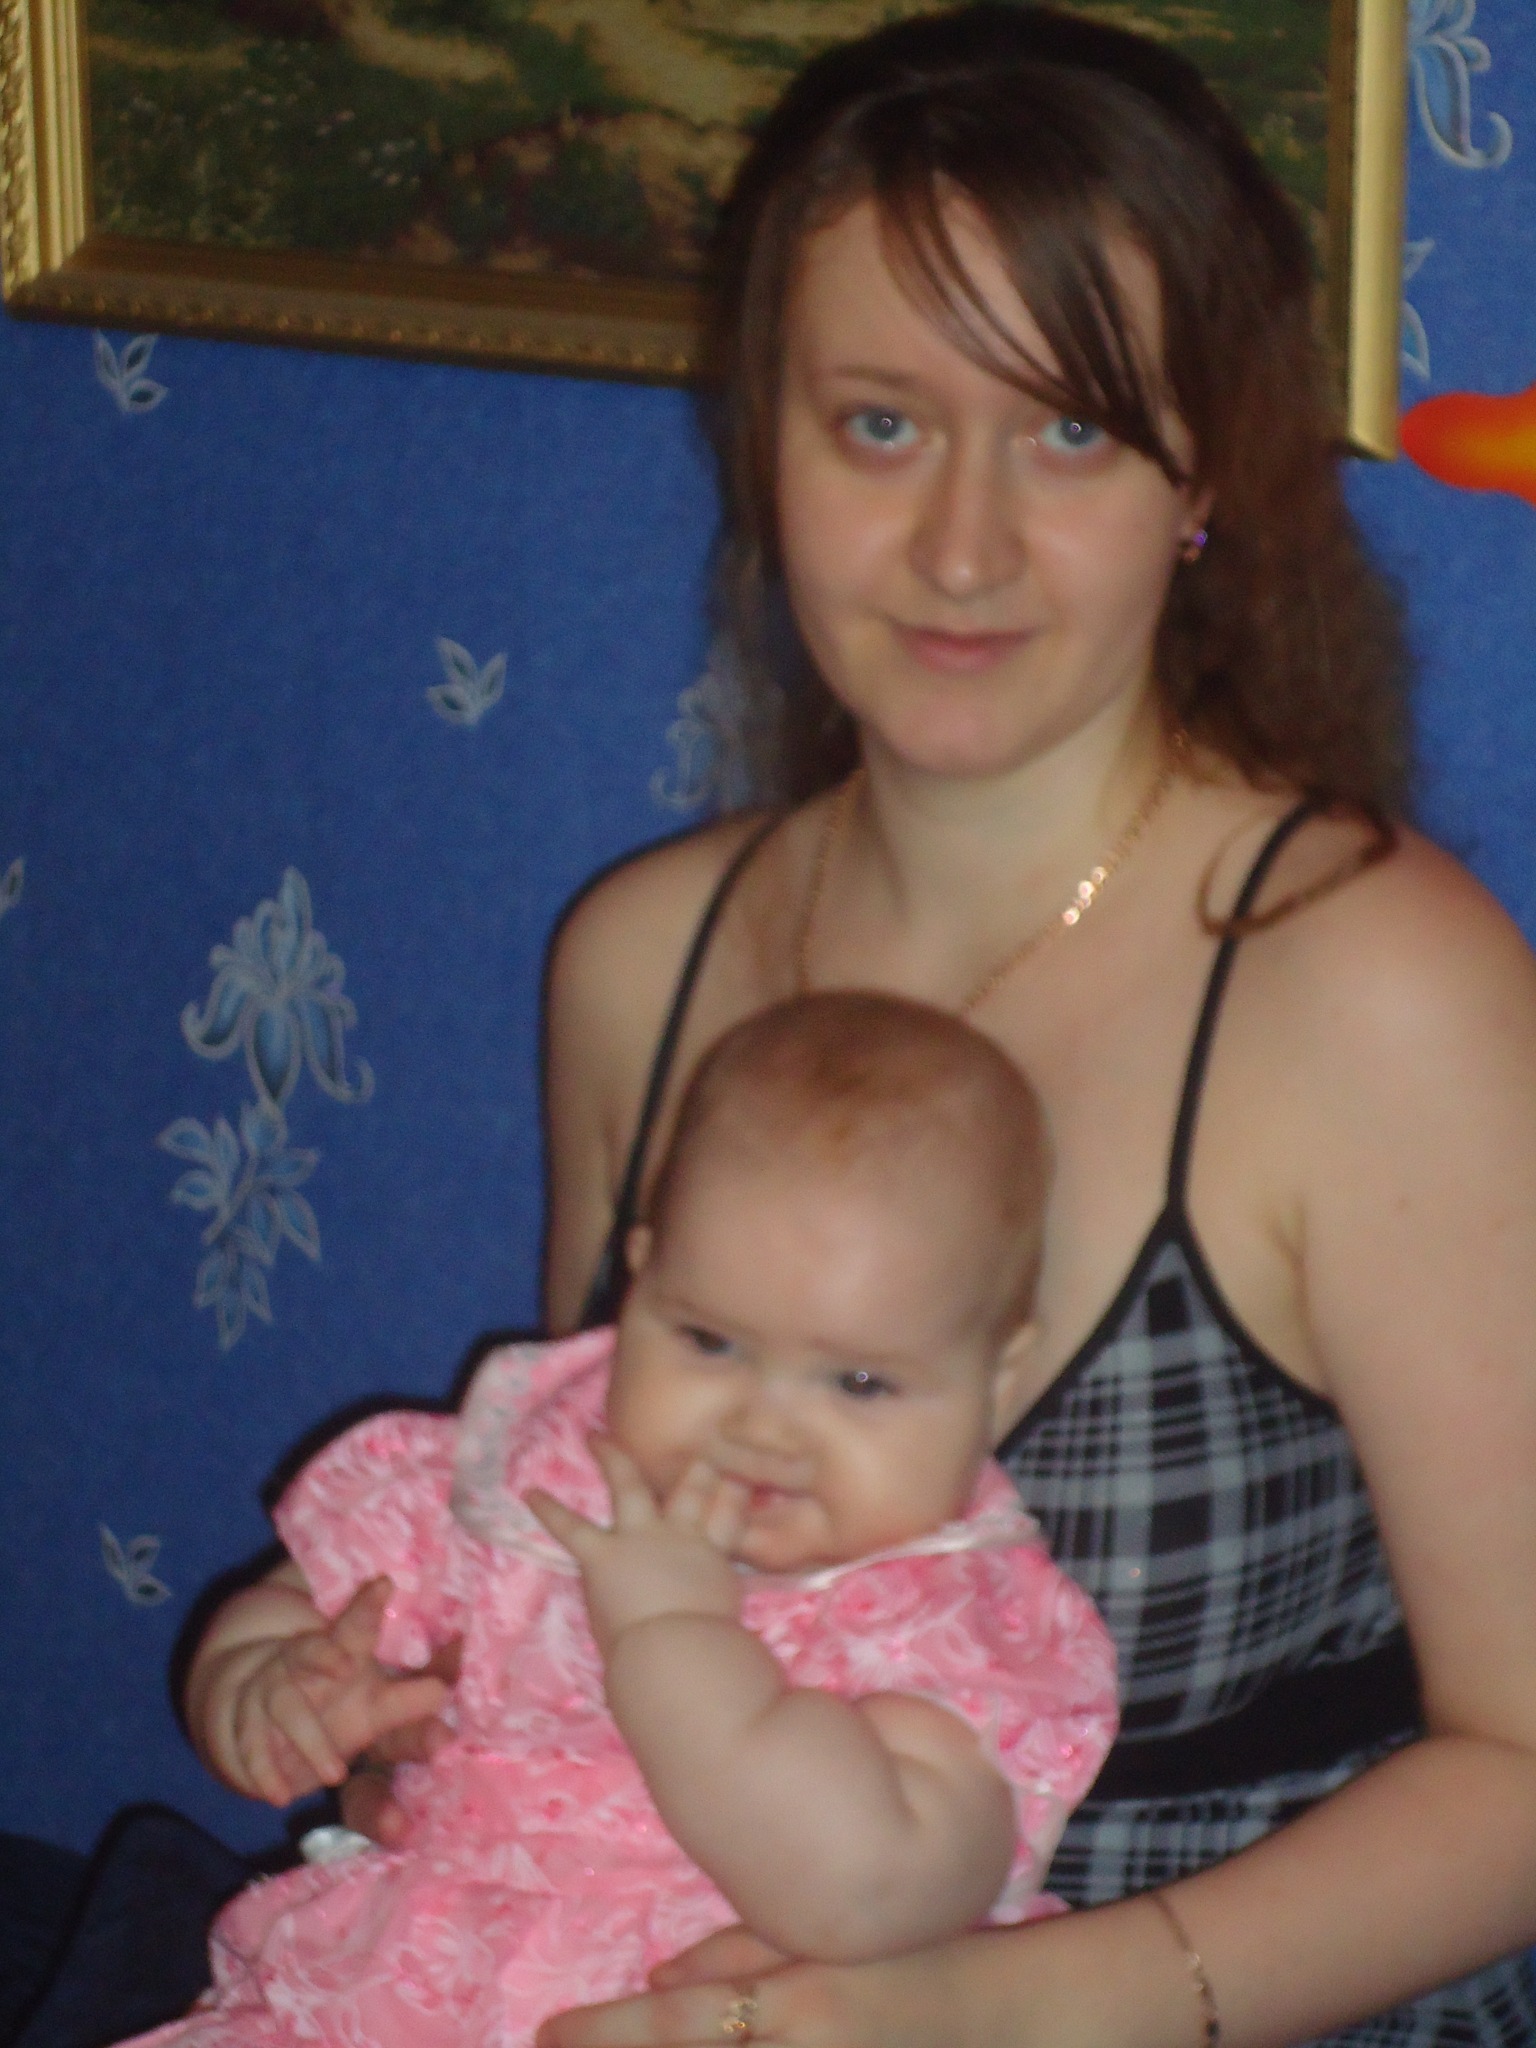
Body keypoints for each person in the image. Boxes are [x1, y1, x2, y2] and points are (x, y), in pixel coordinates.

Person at [475, 7, 1536, 2043]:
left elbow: (1523, 1762)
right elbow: (592, 1557)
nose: (962, 548)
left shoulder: (1373, 987)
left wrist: (995, 2009)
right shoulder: (642, 961)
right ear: (768, 444)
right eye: (881, 425)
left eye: (1069, 433)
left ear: (1198, 474)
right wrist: (414, 1714)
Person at [112, 992, 1118, 2048]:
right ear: (641, 1278)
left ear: (997, 1377)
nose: (761, 1426)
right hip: (395, 1993)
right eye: (710, 1341)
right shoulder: (527, 1473)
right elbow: (299, 1601)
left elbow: (866, 1895)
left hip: (709, 2011)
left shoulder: (950, 1610)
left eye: (860, 1382)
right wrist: (265, 1686)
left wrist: (674, 1638)